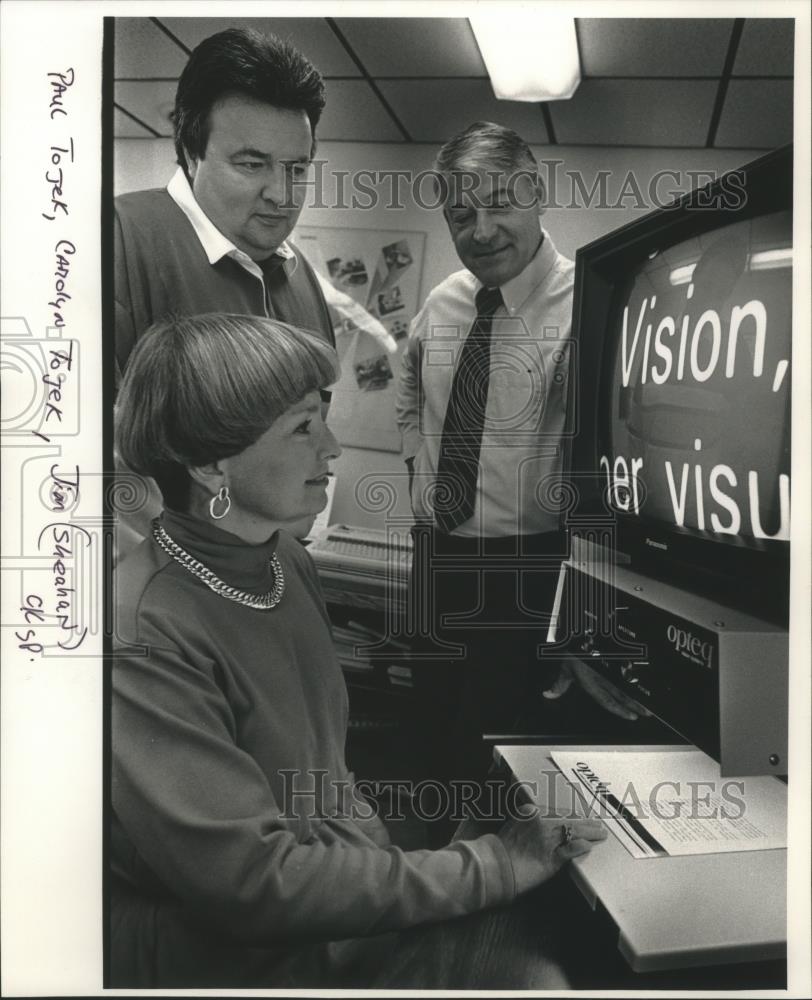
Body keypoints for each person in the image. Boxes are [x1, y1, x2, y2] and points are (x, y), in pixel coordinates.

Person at [110, 312, 608, 988]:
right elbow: (255, 885)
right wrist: (493, 866)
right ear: (207, 463)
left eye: (324, 416)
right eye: (302, 427)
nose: (334, 447)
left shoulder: (286, 559)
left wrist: (406, 872)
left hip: (332, 910)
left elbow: (328, 780)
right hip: (236, 956)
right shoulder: (143, 627)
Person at [396, 122, 642, 840]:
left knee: (501, 755)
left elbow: (605, 466)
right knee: (431, 727)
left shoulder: (591, 303)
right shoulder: (444, 301)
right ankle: (424, 869)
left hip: (531, 566)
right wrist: (417, 461)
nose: (480, 230)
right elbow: (410, 386)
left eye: (498, 203)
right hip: (438, 556)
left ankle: (487, 899)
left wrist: (588, 609)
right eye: (460, 215)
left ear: (536, 194)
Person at [113, 27, 336, 559]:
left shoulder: (301, 275)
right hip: (166, 596)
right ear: (191, 153)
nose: (282, 195)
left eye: (297, 168)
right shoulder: (114, 241)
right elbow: (91, 464)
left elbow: (307, 445)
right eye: (252, 164)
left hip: (270, 575)